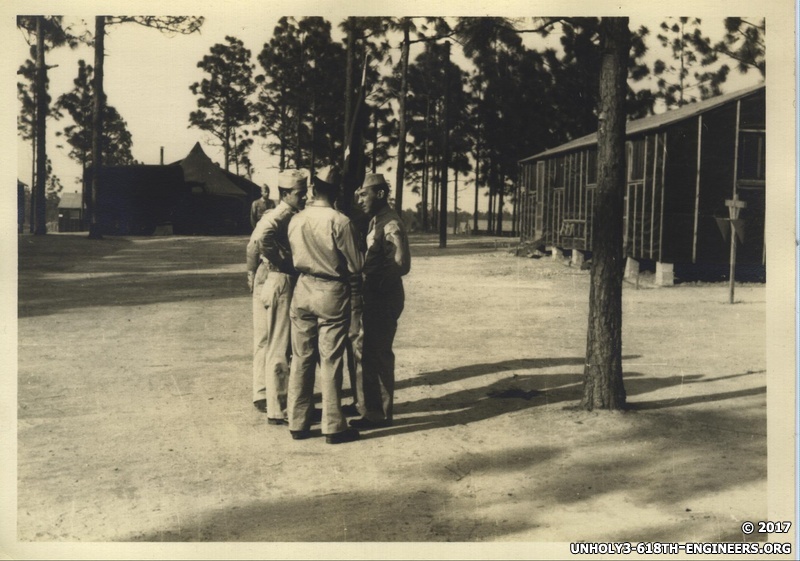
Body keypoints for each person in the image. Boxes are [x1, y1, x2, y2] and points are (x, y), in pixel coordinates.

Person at [286, 165, 363, 444]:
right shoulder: (340, 221)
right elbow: (356, 264)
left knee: (302, 357)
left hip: (302, 288)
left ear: (313, 188)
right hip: (331, 291)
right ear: (336, 191)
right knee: (331, 359)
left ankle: (298, 422)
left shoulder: (297, 219)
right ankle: (333, 425)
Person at [350, 173, 411, 430]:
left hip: (383, 295)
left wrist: (380, 282)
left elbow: (401, 263)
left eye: (364, 193)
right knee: (368, 350)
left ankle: (378, 414)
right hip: (376, 292)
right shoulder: (376, 219)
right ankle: (368, 406)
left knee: (377, 354)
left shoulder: (390, 224)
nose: (360, 198)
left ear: (381, 194)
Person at [246, 170, 307, 424]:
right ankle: (279, 407)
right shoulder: (282, 214)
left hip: (266, 276)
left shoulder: (282, 213)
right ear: (285, 194)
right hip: (279, 278)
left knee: (266, 340)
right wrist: (282, 260)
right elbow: (260, 240)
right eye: (299, 193)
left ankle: (263, 393)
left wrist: (251, 273)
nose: (303, 198)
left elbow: (251, 246)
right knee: (280, 345)